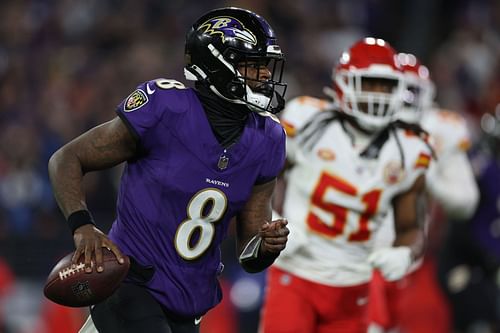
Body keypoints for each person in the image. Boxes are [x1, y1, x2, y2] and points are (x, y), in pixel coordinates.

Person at [47, 7, 289, 333]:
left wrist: (267, 245)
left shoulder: (268, 137)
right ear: (216, 64)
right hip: (132, 283)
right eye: (252, 65)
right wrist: (82, 226)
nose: (263, 76)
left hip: (189, 300)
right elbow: (66, 159)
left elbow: (250, 256)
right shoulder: (165, 108)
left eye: (264, 66)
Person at [259, 38, 433, 333]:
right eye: (369, 83)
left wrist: (406, 252)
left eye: (385, 85)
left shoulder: (410, 149)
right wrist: (269, 220)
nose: (377, 94)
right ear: (344, 83)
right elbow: (259, 179)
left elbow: (410, 227)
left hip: (355, 285)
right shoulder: (308, 121)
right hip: (297, 274)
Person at [367, 53, 479, 333]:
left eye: (411, 89)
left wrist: (430, 179)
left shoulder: (440, 129)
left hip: (412, 263)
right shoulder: (357, 120)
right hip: (352, 257)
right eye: (395, 86)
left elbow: (466, 202)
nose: (403, 97)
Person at [438, 109, 500, 332]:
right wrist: (489, 260)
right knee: (477, 323)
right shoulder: (483, 170)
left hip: (487, 265)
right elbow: (461, 226)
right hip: (471, 265)